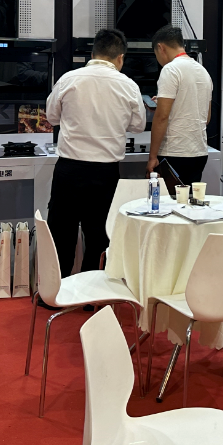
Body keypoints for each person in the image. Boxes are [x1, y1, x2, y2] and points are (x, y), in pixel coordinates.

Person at [45, 28, 146, 273]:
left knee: (61, 234)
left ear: (93, 54)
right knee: (100, 237)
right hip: (105, 173)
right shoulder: (129, 86)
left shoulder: (69, 79)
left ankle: (58, 289)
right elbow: (138, 125)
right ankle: (92, 289)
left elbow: (51, 117)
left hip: (69, 170)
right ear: (120, 57)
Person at [147, 25, 213, 187]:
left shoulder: (170, 70)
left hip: (174, 152)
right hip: (199, 152)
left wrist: (152, 156)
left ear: (161, 48)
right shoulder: (203, 71)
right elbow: (206, 118)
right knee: (190, 199)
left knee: (169, 201)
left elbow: (162, 117)